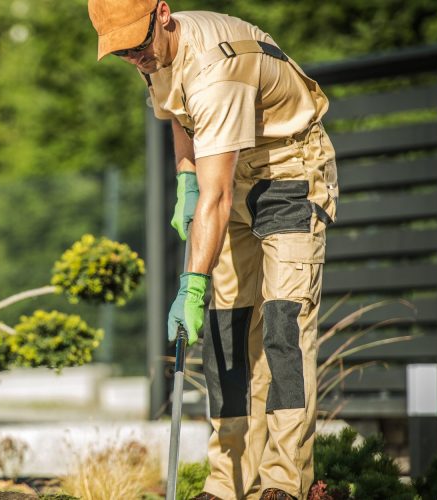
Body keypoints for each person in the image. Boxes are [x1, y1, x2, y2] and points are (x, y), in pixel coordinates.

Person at [87, 1, 339, 499]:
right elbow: (179, 113)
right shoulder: (157, 54)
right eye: (123, 54)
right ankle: (228, 483)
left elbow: (217, 197)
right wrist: (185, 180)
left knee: (284, 328)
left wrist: (193, 284)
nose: (135, 59)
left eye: (138, 46)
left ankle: (284, 485)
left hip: (287, 175)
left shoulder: (215, 71)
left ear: (162, 13)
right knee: (226, 329)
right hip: (230, 173)